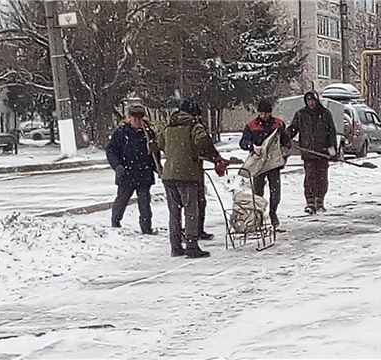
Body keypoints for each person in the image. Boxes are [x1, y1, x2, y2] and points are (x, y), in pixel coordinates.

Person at [158, 99, 230, 258]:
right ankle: (191, 245)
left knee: (174, 212)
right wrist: (216, 158)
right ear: (193, 114)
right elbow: (204, 143)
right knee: (191, 210)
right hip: (188, 174)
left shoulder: (168, 128)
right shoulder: (194, 127)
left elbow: (159, 145)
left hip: (169, 175)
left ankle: (175, 246)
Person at [106, 104, 160, 234]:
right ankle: (115, 224)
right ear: (128, 118)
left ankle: (146, 228)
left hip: (144, 173)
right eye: (134, 118)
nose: (137, 121)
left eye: (139, 118)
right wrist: (117, 166)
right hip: (126, 173)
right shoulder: (121, 133)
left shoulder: (148, 133)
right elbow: (111, 151)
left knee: (145, 204)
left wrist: (157, 167)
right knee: (121, 201)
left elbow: (154, 154)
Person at [239, 98, 291, 229]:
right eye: (261, 113)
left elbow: (286, 142)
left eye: (265, 113)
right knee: (257, 193)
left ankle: (273, 213)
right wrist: (251, 145)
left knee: (275, 192)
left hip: (273, 164)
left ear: (270, 113)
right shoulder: (251, 126)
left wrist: (282, 134)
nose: (263, 116)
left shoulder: (278, 124)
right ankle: (259, 217)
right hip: (258, 164)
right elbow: (243, 142)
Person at [287, 91, 337, 215]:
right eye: (309, 100)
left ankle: (320, 201)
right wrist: (285, 137)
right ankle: (310, 202)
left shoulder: (325, 114)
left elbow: (331, 134)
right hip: (308, 152)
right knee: (310, 178)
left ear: (317, 100)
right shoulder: (301, 115)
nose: (311, 103)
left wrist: (332, 151)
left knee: (322, 178)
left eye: (313, 100)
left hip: (322, 153)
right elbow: (293, 129)